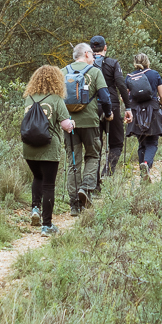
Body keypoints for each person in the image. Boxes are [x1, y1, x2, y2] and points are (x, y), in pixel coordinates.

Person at [22, 65, 76, 234]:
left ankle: (35, 209)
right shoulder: (56, 99)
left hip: (29, 147)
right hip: (49, 147)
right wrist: (72, 124)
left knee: (37, 177)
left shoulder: (29, 98)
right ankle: (47, 225)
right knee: (48, 185)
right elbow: (66, 125)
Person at [64, 42, 112, 213]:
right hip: (90, 122)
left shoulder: (63, 72)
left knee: (73, 161)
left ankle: (74, 205)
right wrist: (108, 114)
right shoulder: (95, 72)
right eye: (91, 54)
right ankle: (85, 188)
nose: (93, 57)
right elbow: (105, 97)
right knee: (93, 155)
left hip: (69, 125)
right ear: (86, 54)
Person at [89, 35, 131, 181]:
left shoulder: (87, 65)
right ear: (105, 47)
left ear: (91, 49)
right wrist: (128, 107)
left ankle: (93, 181)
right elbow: (121, 85)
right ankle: (107, 173)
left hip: (92, 107)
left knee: (95, 145)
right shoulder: (113, 63)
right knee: (117, 142)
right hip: (112, 105)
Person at [124, 52, 162, 180]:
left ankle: (143, 174)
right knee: (152, 142)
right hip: (152, 110)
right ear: (148, 62)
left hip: (136, 111)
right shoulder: (154, 74)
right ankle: (146, 164)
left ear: (135, 63)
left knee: (141, 142)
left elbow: (123, 96)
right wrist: (160, 102)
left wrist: (130, 104)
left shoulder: (129, 77)